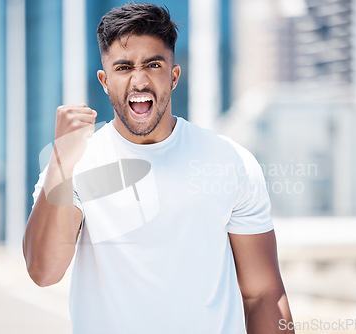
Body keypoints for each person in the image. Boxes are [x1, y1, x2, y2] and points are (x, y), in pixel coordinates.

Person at [23, 3, 294, 333]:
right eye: (123, 68)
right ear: (105, 81)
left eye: (152, 64)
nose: (139, 80)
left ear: (174, 75)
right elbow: (43, 270)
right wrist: (63, 162)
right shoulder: (75, 162)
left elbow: (263, 294)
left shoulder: (230, 161)